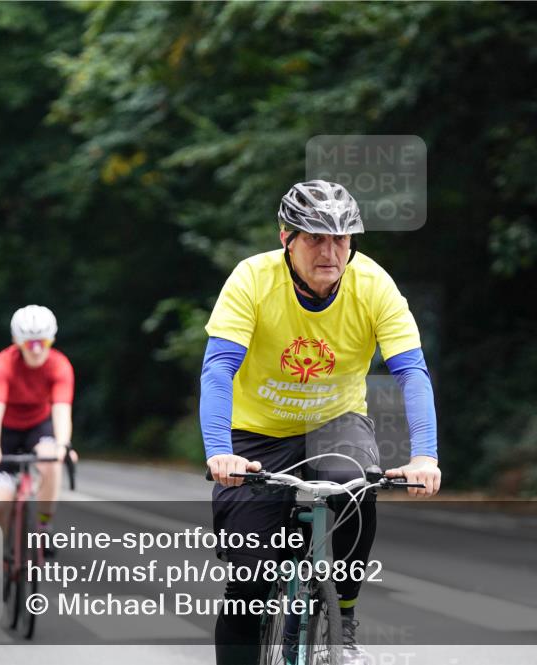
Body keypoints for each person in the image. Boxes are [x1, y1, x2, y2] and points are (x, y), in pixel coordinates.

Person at [202, 179, 442, 665]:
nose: (329, 251)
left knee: (355, 489)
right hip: (257, 434)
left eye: (341, 239)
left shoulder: (374, 286)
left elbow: (411, 372)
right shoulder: (251, 280)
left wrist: (425, 455)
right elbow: (219, 368)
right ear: (285, 237)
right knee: (249, 581)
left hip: (336, 425)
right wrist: (218, 450)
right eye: (315, 237)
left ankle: (344, 619)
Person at [0, 305, 75, 540]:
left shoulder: (60, 365)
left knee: (51, 462)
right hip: (4, 431)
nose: (37, 350)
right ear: (16, 342)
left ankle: (44, 525)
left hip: (37, 425)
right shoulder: (4, 363)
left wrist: (64, 445)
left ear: (52, 340)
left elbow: (62, 411)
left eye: (43, 343)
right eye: (29, 343)